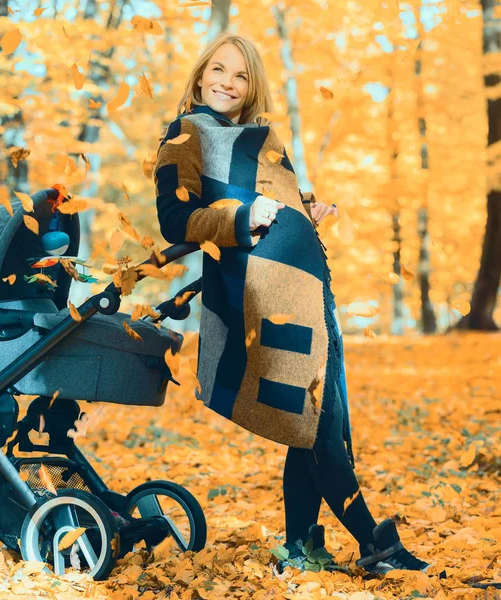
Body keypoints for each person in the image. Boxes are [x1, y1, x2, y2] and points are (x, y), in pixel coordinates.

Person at [153, 32, 429, 576]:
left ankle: (301, 545)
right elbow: (175, 220)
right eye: (220, 70)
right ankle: (375, 541)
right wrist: (239, 218)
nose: (228, 83)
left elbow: (266, 200)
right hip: (262, 297)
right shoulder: (185, 134)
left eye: (241, 76)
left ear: (251, 86)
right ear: (201, 73)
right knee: (316, 415)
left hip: (308, 289)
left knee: (323, 417)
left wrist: (303, 206)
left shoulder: (263, 138)